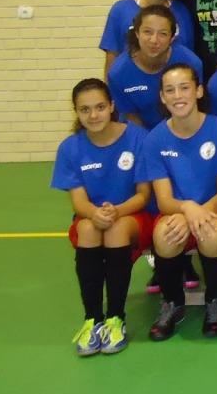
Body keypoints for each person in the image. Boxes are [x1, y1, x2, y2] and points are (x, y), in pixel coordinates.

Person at [51, 79, 151, 356]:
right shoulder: (70, 148)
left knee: (116, 229)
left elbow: (143, 195)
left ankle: (116, 318)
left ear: (111, 107)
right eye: (85, 110)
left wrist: (116, 211)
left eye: (99, 107)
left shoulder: (137, 138)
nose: (93, 115)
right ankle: (92, 319)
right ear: (76, 112)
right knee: (87, 230)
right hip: (91, 217)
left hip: (131, 214)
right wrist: (96, 214)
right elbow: (78, 201)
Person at [140, 64, 217, 341]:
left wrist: (198, 213)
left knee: (212, 233)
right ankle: (172, 303)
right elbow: (164, 199)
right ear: (162, 97)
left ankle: (215, 303)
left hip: (215, 208)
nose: (178, 95)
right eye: (170, 90)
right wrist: (187, 209)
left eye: (184, 87)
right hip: (177, 210)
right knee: (165, 235)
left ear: (198, 91)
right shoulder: (155, 139)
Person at [107, 5, 205, 129]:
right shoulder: (118, 73)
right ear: (137, 33)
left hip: (183, 129)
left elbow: (194, 109)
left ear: (172, 38)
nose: (154, 40)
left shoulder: (191, 63)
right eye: (147, 32)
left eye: (163, 34)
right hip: (143, 135)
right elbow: (130, 116)